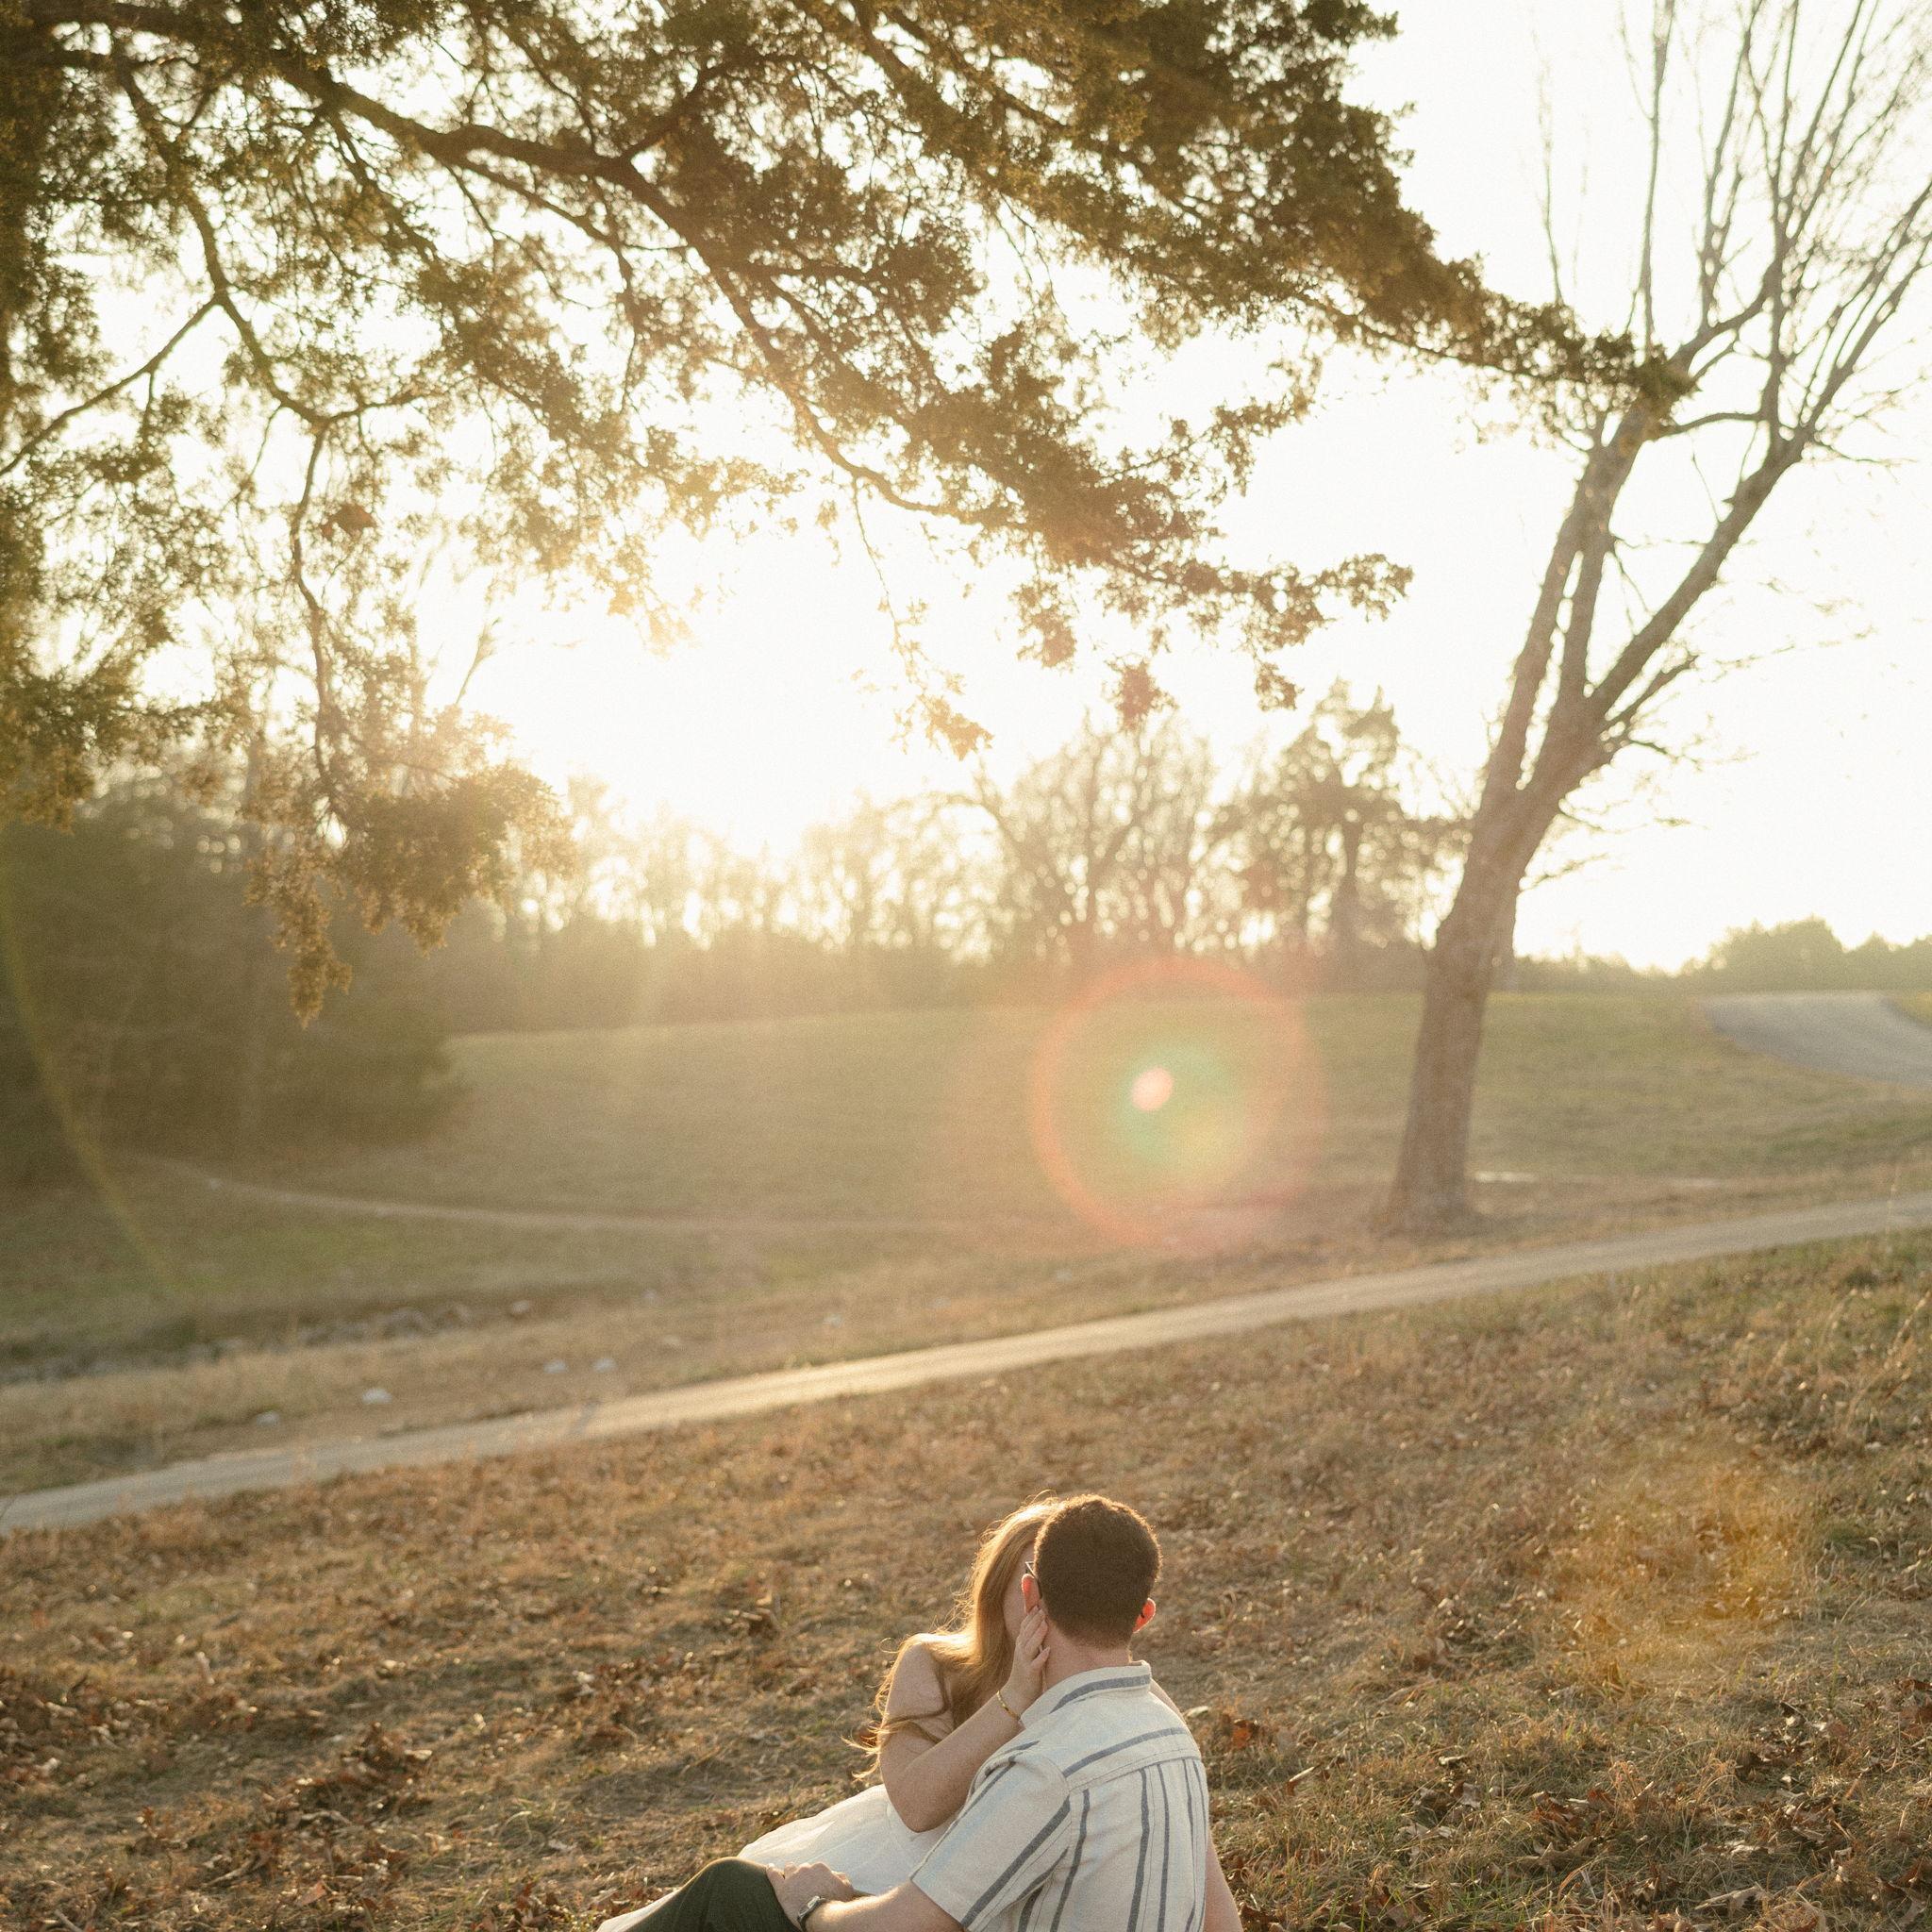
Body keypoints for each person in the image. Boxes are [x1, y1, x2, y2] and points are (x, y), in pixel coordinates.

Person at [608, 1493, 1242, 1932]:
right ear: (1141, 1615)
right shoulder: (1164, 1732)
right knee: (735, 1888)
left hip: (925, 1905)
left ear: (1033, 1594)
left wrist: (812, 1908)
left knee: (732, 1890)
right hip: (938, 1886)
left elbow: (913, 1922)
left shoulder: (1044, 1768)